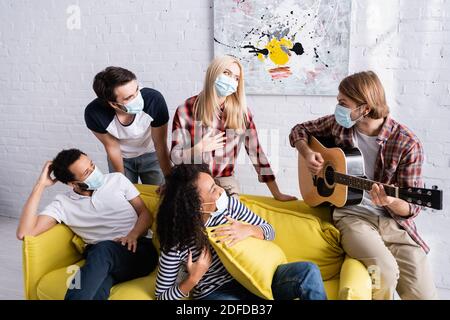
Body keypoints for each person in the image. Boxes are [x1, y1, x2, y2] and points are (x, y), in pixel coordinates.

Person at [289, 71, 437, 300]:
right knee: (384, 272)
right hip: (352, 217)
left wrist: (389, 200)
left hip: (393, 222)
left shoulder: (407, 143)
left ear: (364, 108)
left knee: (424, 294)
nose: (338, 108)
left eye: (343, 103)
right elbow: (299, 130)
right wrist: (307, 152)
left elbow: (412, 208)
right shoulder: (339, 126)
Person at [154, 164, 327, 300]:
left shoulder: (230, 207)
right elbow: (161, 296)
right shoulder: (176, 241)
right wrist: (193, 279)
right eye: (213, 190)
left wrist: (249, 230)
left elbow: (270, 231)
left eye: (216, 184)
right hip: (216, 292)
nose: (221, 190)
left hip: (257, 279)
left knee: (308, 271)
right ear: (195, 205)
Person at [16, 149, 158, 300]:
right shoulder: (63, 203)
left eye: (92, 165)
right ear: (72, 183)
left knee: (102, 251)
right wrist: (40, 185)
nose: (95, 171)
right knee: (95, 290)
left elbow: (145, 214)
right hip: (100, 260)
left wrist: (133, 235)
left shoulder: (117, 180)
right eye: (87, 173)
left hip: (137, 251)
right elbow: (24, 232)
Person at [171, 55, 296, 200]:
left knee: (229, 211)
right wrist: (199, 148)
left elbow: (256, 153)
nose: (231, 80)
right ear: (213, 73)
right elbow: (175, 157)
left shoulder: (242, 114)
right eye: (226, 73)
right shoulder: (185, 109)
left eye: (236, 78)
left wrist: (277, 193)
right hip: (192, 177)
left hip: (224, 181)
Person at [85, 66, 172, 185]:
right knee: (123, 197)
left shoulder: (154, 100)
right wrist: (121, 184)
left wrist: (170, 180)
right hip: (121, 158)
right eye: (129, 97)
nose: (137, 98)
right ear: (113, 104)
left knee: (161, 195)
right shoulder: (94, 113)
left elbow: (160, 143)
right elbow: (112, 147)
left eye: (136, 90)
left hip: (152, 154)